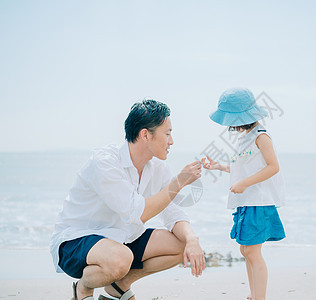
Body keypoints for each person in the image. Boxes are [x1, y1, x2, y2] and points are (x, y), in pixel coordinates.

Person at [50, 99, 206, 300]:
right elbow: (137, 213)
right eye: (167, 133)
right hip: (77, 240)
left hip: (122, 240)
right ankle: (83, 288)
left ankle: (118, 286)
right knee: (121, 258)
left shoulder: (157, 167)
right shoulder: (105, 163)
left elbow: (173, 212)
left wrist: (193, 240)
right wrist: (178, 183)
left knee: (181, 243)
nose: (172, 141)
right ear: (145, 135)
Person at [202, 87, 286, 300]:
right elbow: (242, 167)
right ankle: (253, 294)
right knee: (246, 251)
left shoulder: (261, 136)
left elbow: (273, 167)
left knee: (251, 252)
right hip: (247, 201)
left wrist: (245, 184)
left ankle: (260, 297)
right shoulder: (244, 137)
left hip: (259, 202)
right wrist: (218, 166)